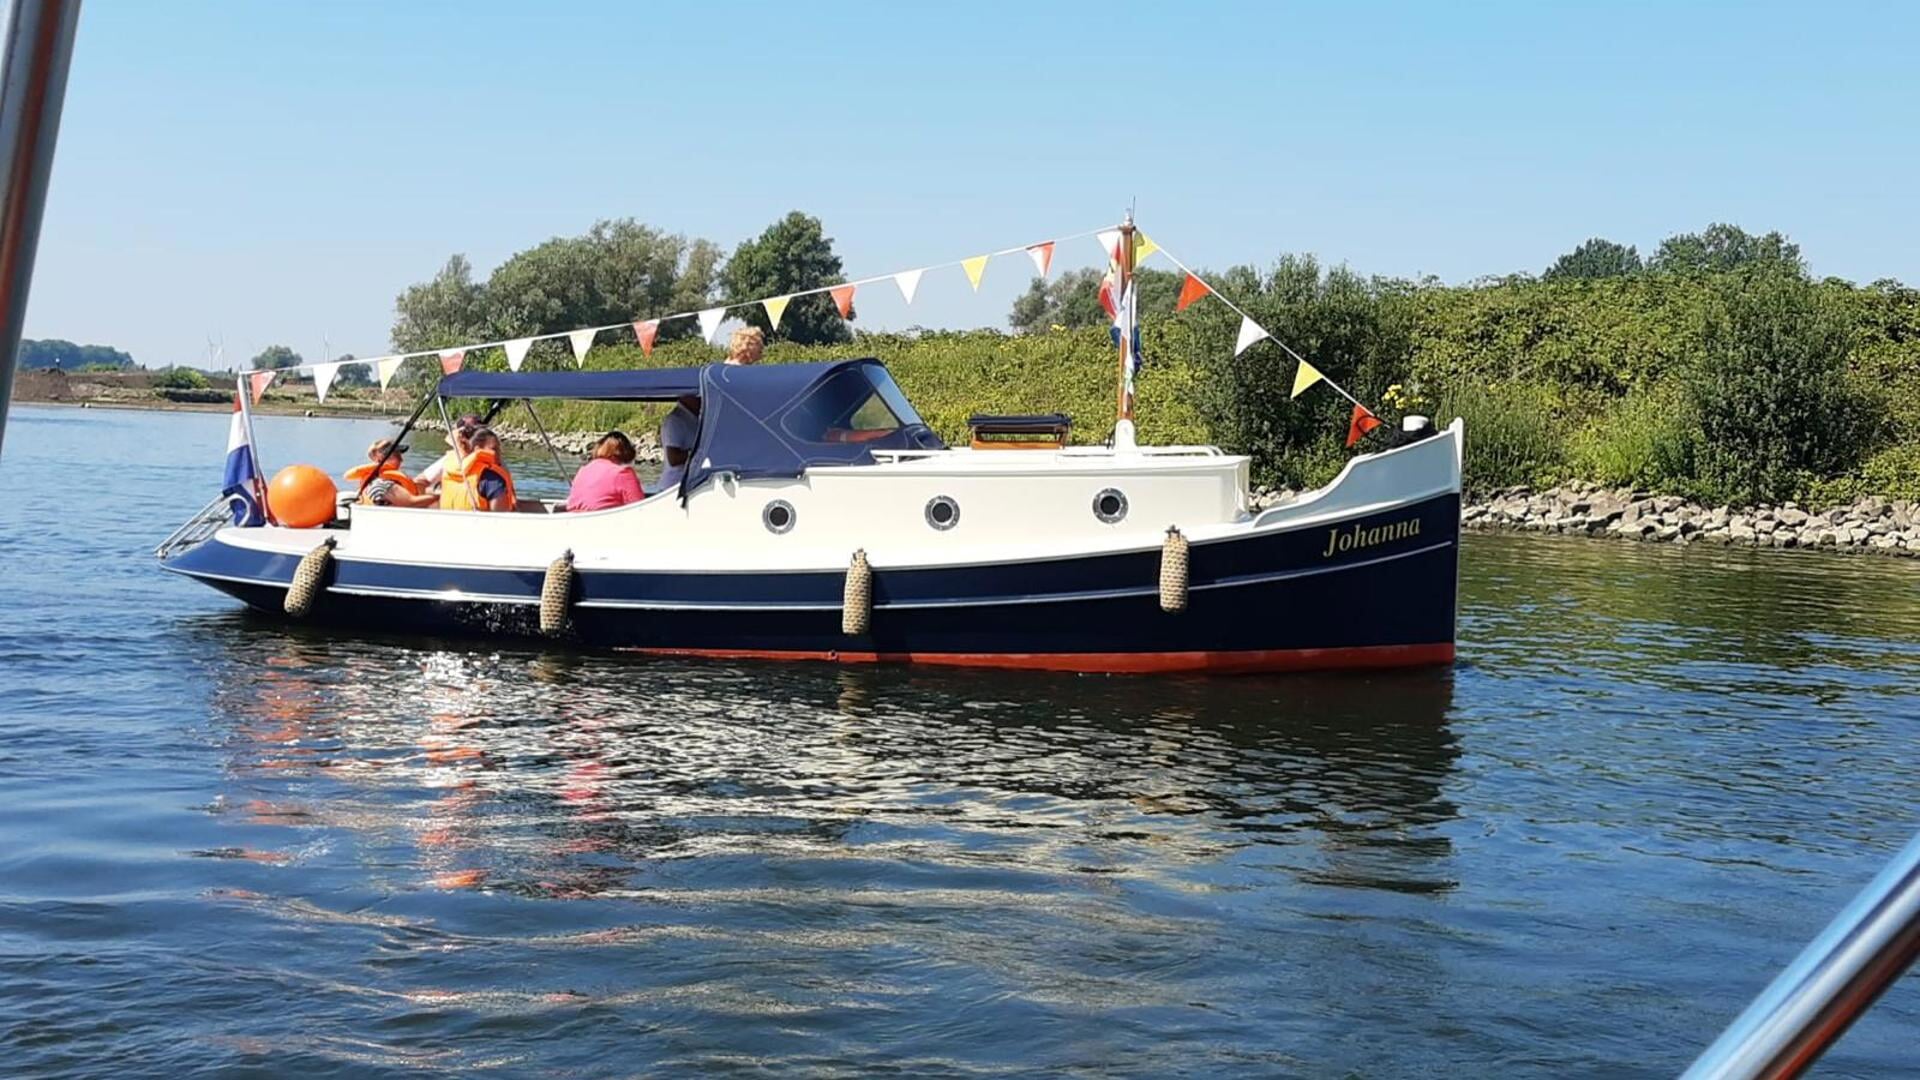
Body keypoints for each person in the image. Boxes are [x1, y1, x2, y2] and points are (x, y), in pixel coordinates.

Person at [565, 431, 645, 512]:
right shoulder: (623, 473)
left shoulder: (583, 470)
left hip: (573, 518)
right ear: (626, 452)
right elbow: (639, 508)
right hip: (603, 520)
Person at [344, 438, 436, 508]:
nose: (402, 460)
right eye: (397, 456)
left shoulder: (381, 479)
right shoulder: (381, 483)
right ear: (380, 458)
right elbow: (411, 503)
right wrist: (440, 495)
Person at [443, 427, 517, 512]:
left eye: (499, 449)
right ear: (477, 449)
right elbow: (500, 520)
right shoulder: (493, 480)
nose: (499, 453)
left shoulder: (450, 472)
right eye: (494, 449)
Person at [421, 414, 481, 505]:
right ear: (461, 436)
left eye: (480, 431)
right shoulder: (449, 460)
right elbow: (419, 482)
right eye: (471, 432)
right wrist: (440, 495)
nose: (477, 436)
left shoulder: (492, 459)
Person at [657, 395, 698, 492]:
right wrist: (699, 453)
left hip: (687, 486)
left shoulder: (692, 418)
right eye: (698, 396)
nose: (702, 399)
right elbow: (673, 459)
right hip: (673, 489)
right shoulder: (675, 420)